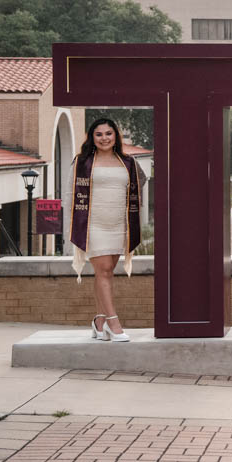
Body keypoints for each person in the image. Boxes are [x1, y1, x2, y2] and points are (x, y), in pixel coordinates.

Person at [62, 117, 147, 342]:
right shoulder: (82, 162)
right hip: (93, 224)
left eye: (108, 133)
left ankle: (99, 322)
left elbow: (140, 186)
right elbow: (70, 196)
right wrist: (73, 227)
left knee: (107, 272)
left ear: (115, 136)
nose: (104, 138)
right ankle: (113, 323)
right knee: (104, 271)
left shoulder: (127, 162)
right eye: (99, 134)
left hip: (119, 224)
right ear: (92, 137)